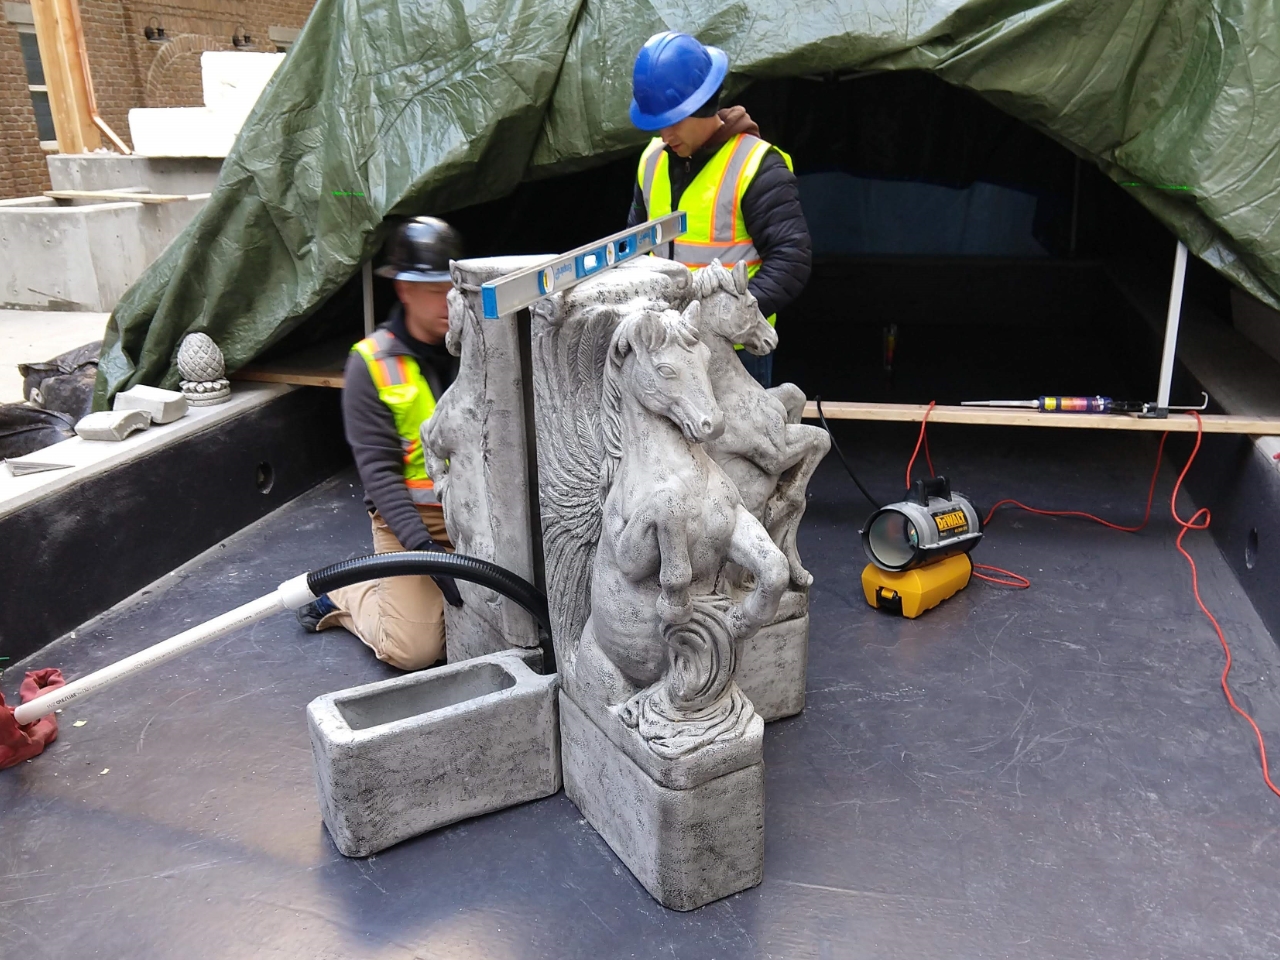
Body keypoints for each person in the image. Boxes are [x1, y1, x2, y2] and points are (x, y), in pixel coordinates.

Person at [296, 216, 464, 670]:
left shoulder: (480, 349)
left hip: (477, 520)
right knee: (415, 651)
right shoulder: (370, 365)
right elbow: (380, 476)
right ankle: (350, 590)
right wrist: (425, 552)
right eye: (433, 291)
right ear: (405, 290)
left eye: (452, 288)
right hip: (414, 526)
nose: (447, 302)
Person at [626, 30, 812, 389]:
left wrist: (729, 317)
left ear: (703, 105)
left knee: (738, 446)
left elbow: (792, 259)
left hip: (735, 352)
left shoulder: (757, 166)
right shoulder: (650, 161)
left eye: (674, 120)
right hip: (666, 350)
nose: (665, 134)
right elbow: (635, 248)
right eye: (657, 123)